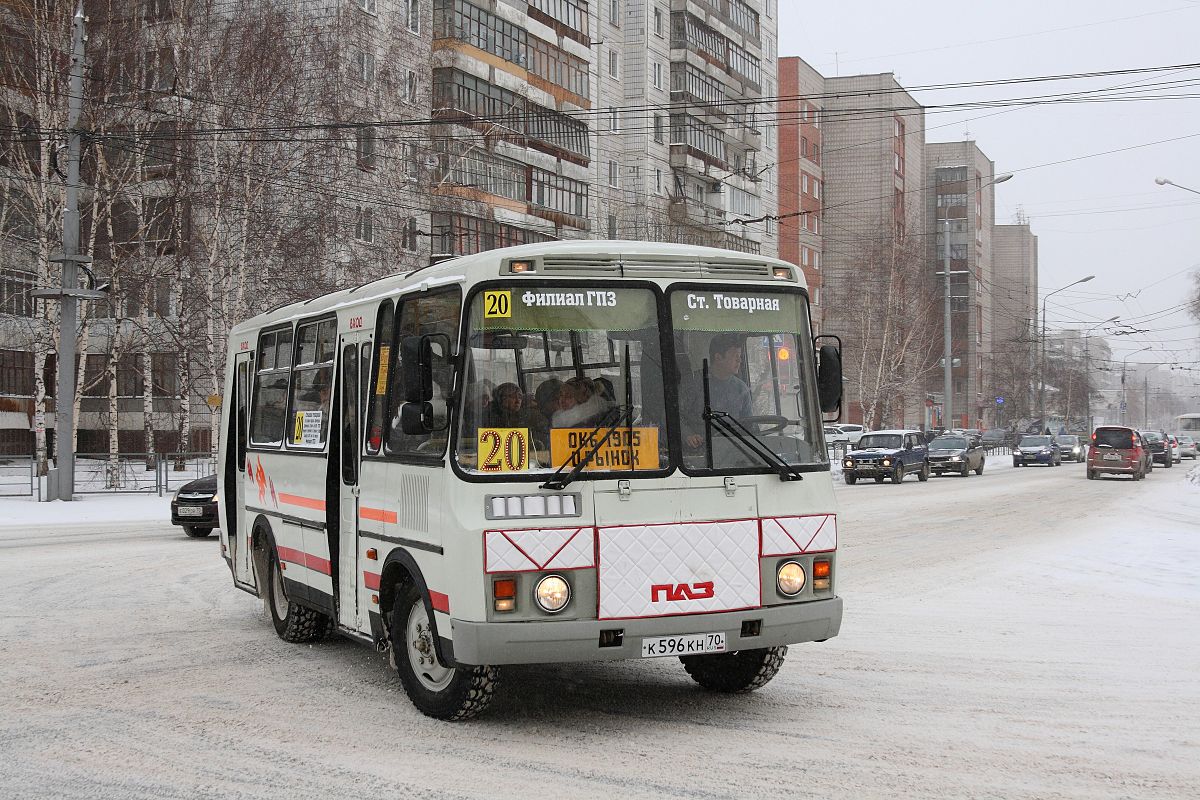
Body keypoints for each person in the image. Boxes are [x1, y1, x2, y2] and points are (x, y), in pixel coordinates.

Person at [685, 333, 751, 449]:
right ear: (718, 357)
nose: (739, 360)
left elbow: (749, 426)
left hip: (734, 451)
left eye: (739, 356)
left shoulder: (742, 389)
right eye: (734, 356)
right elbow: (673, 415)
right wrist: (688, 435)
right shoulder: (694, 383)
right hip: (699, 451)